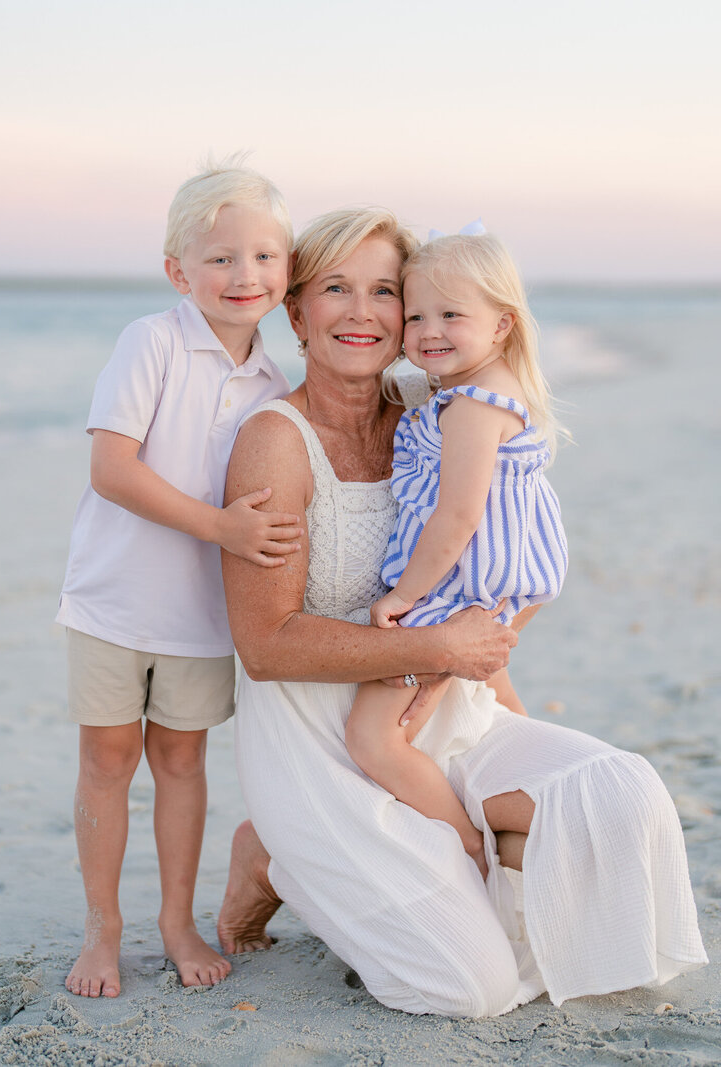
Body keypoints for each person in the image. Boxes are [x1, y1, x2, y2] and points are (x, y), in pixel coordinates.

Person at [216, 207, 706, 1016]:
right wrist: (440, 646)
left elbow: (504, 551)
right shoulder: (274, 440)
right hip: (321, 736)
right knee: (471, 987)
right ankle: (273, 856)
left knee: (624, 794)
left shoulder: (435, 404)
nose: (365, 311)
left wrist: (473, 659)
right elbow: (264, 646)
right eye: (336, 288)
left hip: (440, 698)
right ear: (295, 313)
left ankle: (482, 849)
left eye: (386, 291)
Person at [56, 161, 301, 998]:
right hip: (113, 600)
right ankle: (102, 929)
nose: (244, 274)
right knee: (106, 759)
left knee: (183, 763)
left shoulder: (274, 386)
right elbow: (111, 469)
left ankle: (175, 920)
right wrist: (221, 527)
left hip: (200, 615)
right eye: (221, 257)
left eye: (264, 256)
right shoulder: (152, 341)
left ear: (288, 268)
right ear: (178, 271)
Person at [345, 229, 568, 881]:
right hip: (498, 582)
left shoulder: (473, 404)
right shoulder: (483, 386)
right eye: (416, 315)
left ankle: (469, 848)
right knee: (498, 706)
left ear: (502, 324)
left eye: (450, 314)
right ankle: (552, 795)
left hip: (457, 587)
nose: (429, 331)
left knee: (373, 738)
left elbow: (458, 517)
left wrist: (403, 595)